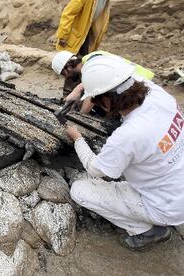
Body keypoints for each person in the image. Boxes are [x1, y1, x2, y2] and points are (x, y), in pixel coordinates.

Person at [65, 55, 184, 251]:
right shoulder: (158, 94)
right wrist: (82, 89)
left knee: (79, 190)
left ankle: (147, 230)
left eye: (97, 100)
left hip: (166, 205)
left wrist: (77, 137)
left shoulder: (129, 135)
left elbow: (95, 170)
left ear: (107, 100)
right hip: (176, 186)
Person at [52, 50, 154, 114]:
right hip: (140, 83)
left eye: (64, 74)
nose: (67, 78)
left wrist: (80, 116)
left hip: (140, 90)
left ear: (68, 68)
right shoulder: (92, 58)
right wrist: (78, 88)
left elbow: (92, 97)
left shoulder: (90, 68)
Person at [56, 0, 110, 95]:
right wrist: (63, 34)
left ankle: (79, 95)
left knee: (84, 65)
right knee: (72, 65)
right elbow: (69, 12)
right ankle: (68, 95)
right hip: (75, 34)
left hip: (88, 33)